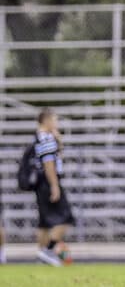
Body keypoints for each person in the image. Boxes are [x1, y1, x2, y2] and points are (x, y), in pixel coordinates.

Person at [34, 108, 74, 267]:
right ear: (46, 120)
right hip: (48, 182)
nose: (56, 123)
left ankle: (42, 255)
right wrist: (54, 186)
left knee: (44, 223)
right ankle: (48, 252)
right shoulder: (46, 137)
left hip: (41, 184)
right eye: (54, 120)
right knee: (66, 218)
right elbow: (49, 163)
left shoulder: (37, 137)